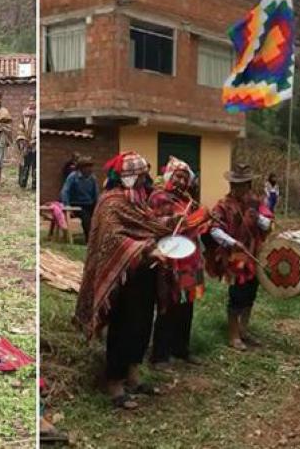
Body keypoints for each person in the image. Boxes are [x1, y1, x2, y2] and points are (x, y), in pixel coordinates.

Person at [75, 151, 174, 410]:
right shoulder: (111, 202)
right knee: (123, 327)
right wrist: (145, 249)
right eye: (141, 176)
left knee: (142, 325)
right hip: (121, 278)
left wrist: (175, 223)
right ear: (128, 177)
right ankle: (114, 382)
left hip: (144, 275)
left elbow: (148, 223)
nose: (145, 180)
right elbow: (113, 239)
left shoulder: (137, 201)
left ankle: (133, 375)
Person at [205, 163, 273, 351]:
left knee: (250, 294)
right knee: (237, 295)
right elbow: (214, 229)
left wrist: (257, 216)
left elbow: (267, 225)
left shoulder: (256, 203)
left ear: (249, 185)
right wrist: (231, 242)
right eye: (235, 184)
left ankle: (244, 329)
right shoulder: (222, 205)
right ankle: (233, 335)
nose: (238, 188)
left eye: (242, 184)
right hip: (235, 257)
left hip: (254, 254)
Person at [149, 157, 207, 369]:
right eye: (177, 176)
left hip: (190, 261)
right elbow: (157, 224)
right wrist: (183, 219)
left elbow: (194, 225)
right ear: (168, 177)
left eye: (185, 177)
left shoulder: (187, 200)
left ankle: (181, 348)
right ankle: (160, 355)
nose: (181, 181)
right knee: (168, 306)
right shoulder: (158, 197)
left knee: (187, 305)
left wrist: (202, 218)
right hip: (170, 261)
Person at [60, 156, 99, 241]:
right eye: (87, 166)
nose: (90, 169)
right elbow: (65, 192)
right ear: (81, 168)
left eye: (91, 166)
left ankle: (99, 239)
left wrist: (98, 207)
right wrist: (67, 206)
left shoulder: (92, 178)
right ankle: (89, 240)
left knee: (101, 216)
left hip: (89, 204)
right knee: (86, 217)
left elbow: (96, 194)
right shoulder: (73, 177)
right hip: (76, 204)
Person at [16, 94, 36, 189]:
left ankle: (34, 185)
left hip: (36, 143)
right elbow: (21, 127)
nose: (31, 102)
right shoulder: (25, 114)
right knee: (25, 164)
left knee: (35, 165)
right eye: (30, 100)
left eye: (34, 100)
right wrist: (22, 139)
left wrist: (35, 141)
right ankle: (22, 183)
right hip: (26, 142)